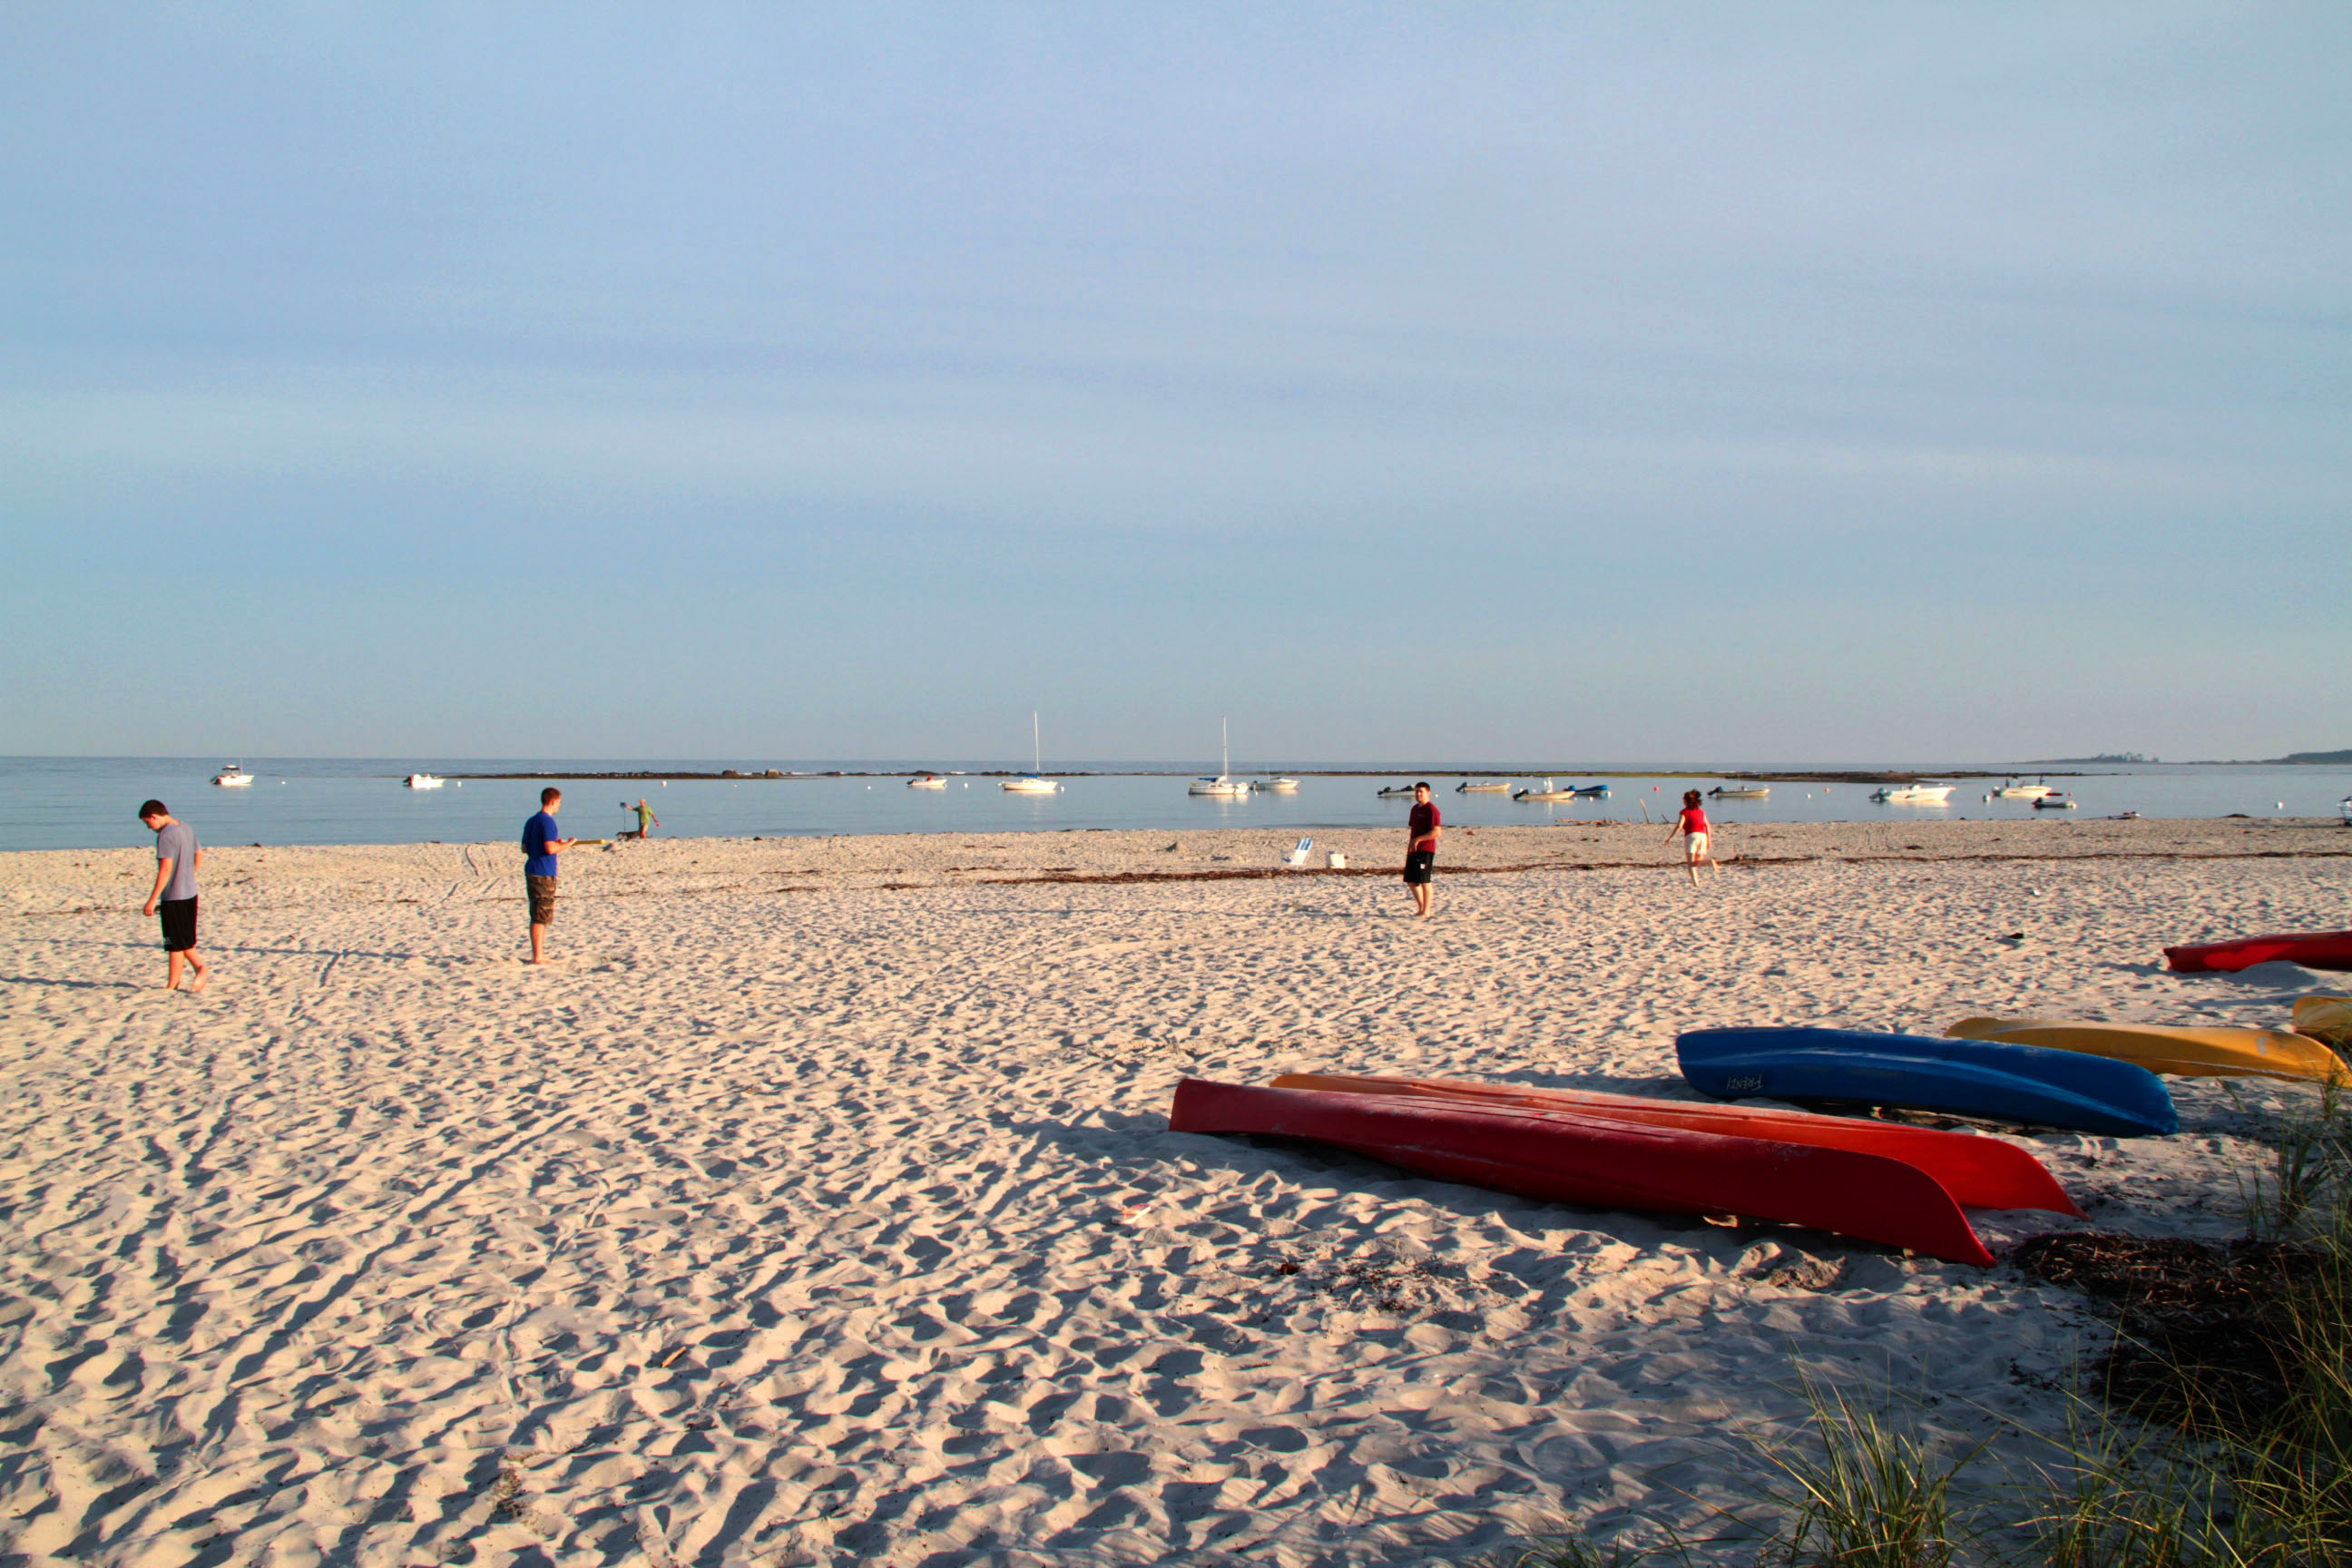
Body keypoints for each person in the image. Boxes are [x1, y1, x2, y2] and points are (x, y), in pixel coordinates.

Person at [138, 799, 209, 992]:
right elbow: (200, 854)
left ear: (154, 816)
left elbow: (166, 869)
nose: (148, 827)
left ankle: (199, 968)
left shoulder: (166, 835)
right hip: (190, 892)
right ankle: (172, 985)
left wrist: (152, 899)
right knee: (178, 943)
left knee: (177, 942)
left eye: (147, 822)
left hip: (174, 896)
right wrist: (189, 875)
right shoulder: (186, 827)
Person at [522, 788, 579, 963]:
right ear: (553, 801)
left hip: (533, 869)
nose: (559, 805)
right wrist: (569, 844)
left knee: (539, 913)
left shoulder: (531, 821)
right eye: (559, 802)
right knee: (540, 914)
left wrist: (555, 842)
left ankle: (538, 954)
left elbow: (525, 847)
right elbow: (550, 849)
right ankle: (537, 956)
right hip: (542, 872)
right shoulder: (547, 821)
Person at [1403, 781, 1441, 919]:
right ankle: (1420, 907)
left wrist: (1418, 839)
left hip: (1425, 851)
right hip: (1414, 851)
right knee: (1411, 880)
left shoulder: (1432, 810)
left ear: (1428, 793)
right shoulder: (1415, 809)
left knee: (1425, 880)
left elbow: (1436, 832)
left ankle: (1426, 911)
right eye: (1417, 791)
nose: (1418, 794)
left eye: (1421, 791)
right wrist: (1413, 842)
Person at [1668, 789, 1720, 886]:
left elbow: (1679, 826)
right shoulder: (1701, 812)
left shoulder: (1684, 812)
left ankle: (1697, 882)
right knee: (1698, 862)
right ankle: (1708, 864)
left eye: (1683, 799)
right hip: (1703, 837)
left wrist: (1671, 837)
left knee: (1691, 864)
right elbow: (1708, 825)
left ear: (1686, 801)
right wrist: (1709, 840)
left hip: (1691, 837)